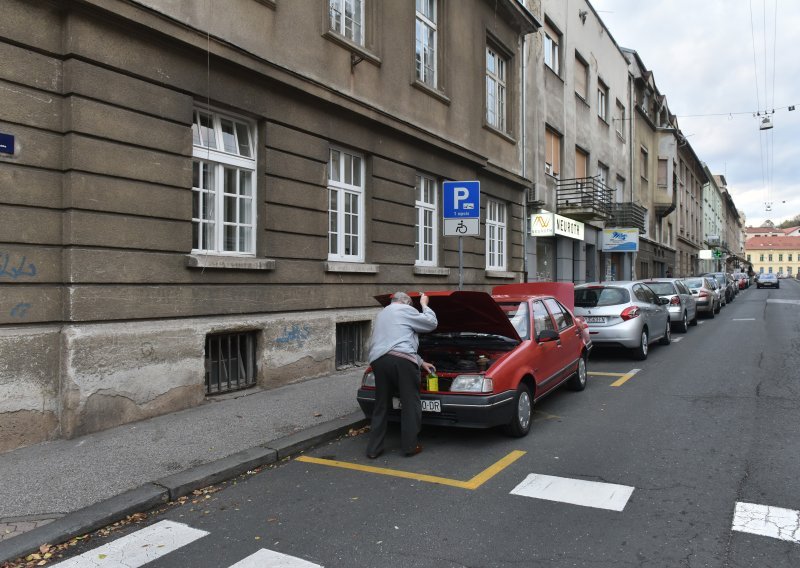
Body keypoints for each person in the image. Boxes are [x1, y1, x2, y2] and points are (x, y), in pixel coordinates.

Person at [366, 291, 437, 459]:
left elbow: (395, 339)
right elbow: (431, 323)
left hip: (378, 361)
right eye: (411, 305)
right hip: (402, 362)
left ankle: (373, 449)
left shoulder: (382, 314)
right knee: (410, 403)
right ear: (406, 302)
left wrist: (420, 362)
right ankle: (410, 446)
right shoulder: (405, 309)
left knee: (381, 405)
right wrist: (425, 304)